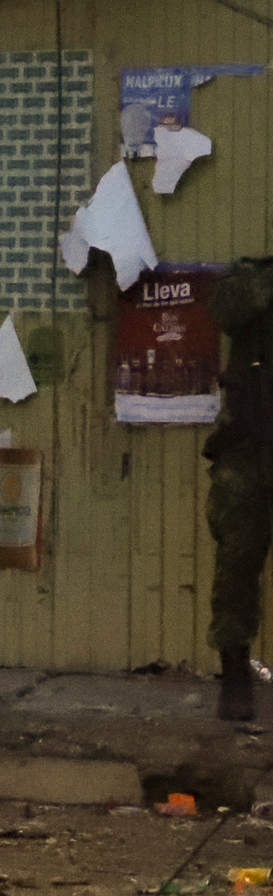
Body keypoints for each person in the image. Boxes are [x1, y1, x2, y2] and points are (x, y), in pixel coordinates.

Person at [206, 258, 273, 719]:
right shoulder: (252, 275)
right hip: (246, 451)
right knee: (236, 565)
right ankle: (234, 681)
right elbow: (223, 308)